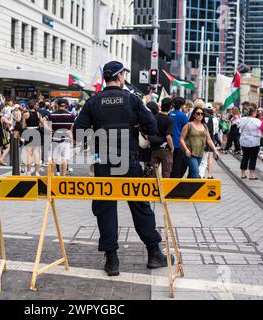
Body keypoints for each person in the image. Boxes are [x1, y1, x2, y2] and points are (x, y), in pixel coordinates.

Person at [73, 61, 172, 277]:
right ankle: (154, 253)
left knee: (105, 207)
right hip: (129, 161)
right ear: (120, 77)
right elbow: (152, 128)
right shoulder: (132, 99)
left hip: (104, 163)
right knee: (139, 205)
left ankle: (112, 260)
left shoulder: (93, 101)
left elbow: (78, 132)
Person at [180, 106, 219, 179]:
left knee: (192, 173)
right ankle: (195, 188)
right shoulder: (188, 125)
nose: (200, 115)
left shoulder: (204, 126)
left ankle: (187, 189)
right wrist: (186, 149)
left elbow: (209, 140)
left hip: (200, 153)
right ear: (194, 115)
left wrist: (215, 150)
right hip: (190, 153)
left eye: (202, 114)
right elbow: (181, 139)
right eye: (198, 113)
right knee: (195, 172)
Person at [48, 98, 75, 176]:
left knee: (54, 158)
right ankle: (63, 176)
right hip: (66, 138)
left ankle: (52, 175)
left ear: (57, 105)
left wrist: (49, 129)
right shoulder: (71, 115)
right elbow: (72, 127)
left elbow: (43, 120)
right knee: (64, 159)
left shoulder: (52, 114)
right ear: (66, 105)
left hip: (55, 138)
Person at [149, 97, 174, 178]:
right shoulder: (169, 120)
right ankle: (164, 190)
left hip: (154, 148)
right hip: (165, 150)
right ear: (171, 107)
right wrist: (172, 147)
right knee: (166, 173)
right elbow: (168, 136)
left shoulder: (154, 117)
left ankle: (153, 189)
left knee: (153, 173)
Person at [22, 100, 45, 176]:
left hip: (28, 132)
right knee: (37, 153)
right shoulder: (38, 114)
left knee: (29, 154)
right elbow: (43, 124)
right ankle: (37, 172)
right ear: (35, 106)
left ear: (28, 106)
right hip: (36, 132)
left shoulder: (25, 114)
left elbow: (23, 126)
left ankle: (28, 172)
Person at [238, 106, 261, 180]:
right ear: (254, 113)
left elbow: (239, 126)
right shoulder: (257, 121)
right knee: (253, 158)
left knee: (245, 157)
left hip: (244, 141)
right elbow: (262, 129)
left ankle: (243, 174)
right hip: (254, 141)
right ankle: (251, 175)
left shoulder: (243, 119)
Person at [169, 97, 189, 178]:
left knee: (170, 165)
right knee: (178, 165)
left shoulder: (169, 114)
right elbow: (187, 130)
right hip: (179, 144)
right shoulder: (183, 116)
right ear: (181, 106)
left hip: (169, 143)